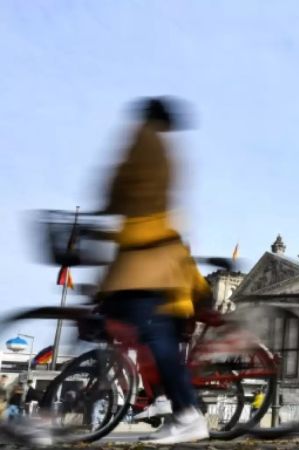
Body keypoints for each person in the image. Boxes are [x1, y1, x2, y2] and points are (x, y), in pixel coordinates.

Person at [97, 97, 209, 444]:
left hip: (149, 267)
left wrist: (106, 211)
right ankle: (177, 409)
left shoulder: (145, 141)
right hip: (142, 262)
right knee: (145, 336)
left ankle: (184, 411)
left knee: (154, 337)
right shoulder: (157, 145)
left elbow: (121, 187)